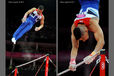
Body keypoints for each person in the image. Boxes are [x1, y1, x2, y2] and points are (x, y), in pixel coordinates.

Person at [69, 0, 105, 71]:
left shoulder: (92, 23)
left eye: (81, 39)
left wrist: (92, 55)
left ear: (86, 31)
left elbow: (101, 42)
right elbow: (75, 47)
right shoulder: (74, 27)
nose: (82, 40)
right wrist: (72, 61)